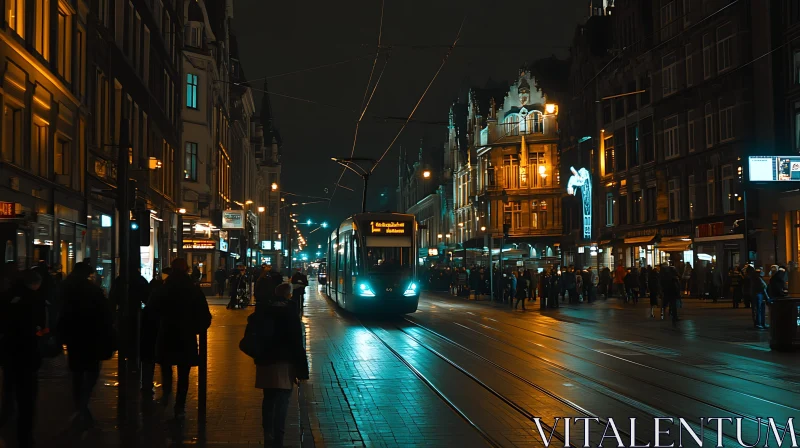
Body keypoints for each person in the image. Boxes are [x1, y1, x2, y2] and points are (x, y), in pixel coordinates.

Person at [147, 258, 212, 420]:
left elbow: (151, 311)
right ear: (186, 270)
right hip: (185, 335)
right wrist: (195, 329)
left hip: (166, 332)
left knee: (166, 366)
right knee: (184, 372)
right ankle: (179, 405)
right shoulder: (192, 289)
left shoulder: (163, 288)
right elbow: (204, 316)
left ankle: (167, 394)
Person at [58, 262, 115, 429]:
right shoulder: (93, 291)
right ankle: (83, 403)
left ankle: (79, 403)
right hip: (92, 337)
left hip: (74, 337)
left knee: (76, 372)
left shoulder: (65, 288)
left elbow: (61, 312)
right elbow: (105, 314)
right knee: (92, 370)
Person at [255, 282, 309, 446]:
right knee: (283, 400)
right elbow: (297, 343)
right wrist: (302, 370)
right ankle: (279, 435)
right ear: (289, 295)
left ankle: (268, 433)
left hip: (265, 360)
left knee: (268, 399)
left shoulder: (263, 309)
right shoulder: (291, 313)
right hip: (285, 362)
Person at [0, 269, 45, 447]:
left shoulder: (7, 297)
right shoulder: (33, 300)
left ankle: (7, 419)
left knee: (10, 388)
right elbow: (38, 328)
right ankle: (24, 436)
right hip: (27, 355)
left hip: (9, 353)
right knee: (27, 398)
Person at [143, 267, 171, 399]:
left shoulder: (156, 294)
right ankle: (168, 392)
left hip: (152, 330)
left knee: (149, 358)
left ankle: (147, 384)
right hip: (167, 332)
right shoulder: (171, 291)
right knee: (166, 362)